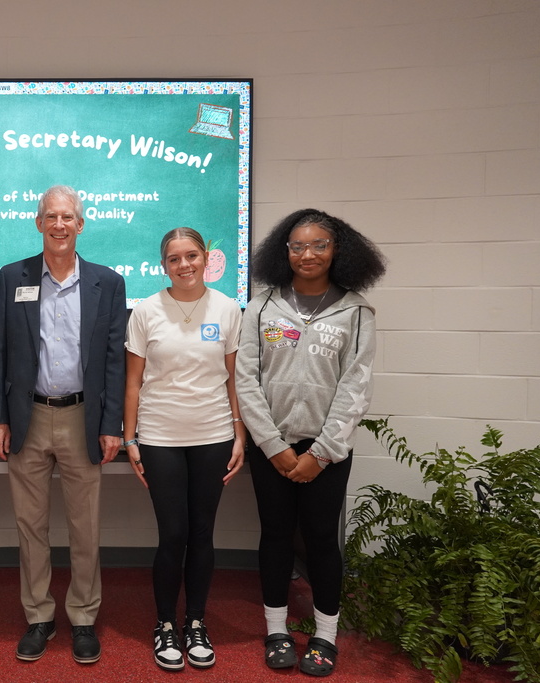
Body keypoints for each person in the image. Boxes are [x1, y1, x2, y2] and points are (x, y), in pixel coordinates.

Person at [236, 209, 385, 677]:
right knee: (276, 536)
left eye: (319, 244)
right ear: (284, 251)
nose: (307, 254)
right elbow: (245, 380)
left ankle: (325, 635)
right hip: (272, 449)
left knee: (321, 539)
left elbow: (355, 387)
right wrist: (273, 445)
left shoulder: (356, 311)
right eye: (297, 246)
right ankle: (277, 629)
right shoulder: (261, 307)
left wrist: (319, 453)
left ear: (337, 250)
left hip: (328, 453)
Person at [0, 185, 127, 665]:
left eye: (68, 217)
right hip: (28, 417)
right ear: (39, 222)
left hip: (83, 418)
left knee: (85, 527)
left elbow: (113, 361)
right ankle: (39, 616)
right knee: (31, 525)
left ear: (80, 225)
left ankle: (83, 617)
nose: (60, 225)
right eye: (52, 216)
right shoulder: (13, 277)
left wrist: (113, 424)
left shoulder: (107, 282)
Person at [123, 228, 246, 671]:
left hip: (213, 435)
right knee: (173, 534)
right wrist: (131, 439)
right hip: (159, 439)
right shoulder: (147, 311)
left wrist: (240, 433)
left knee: (202, 533)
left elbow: (235, 379)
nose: (184, 265)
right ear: (164, 265)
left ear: (206, 257)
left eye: (191, 256)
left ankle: (195, 621)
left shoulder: (228, 309)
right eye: (174, 259)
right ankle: (164, 624)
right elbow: (133, 383)